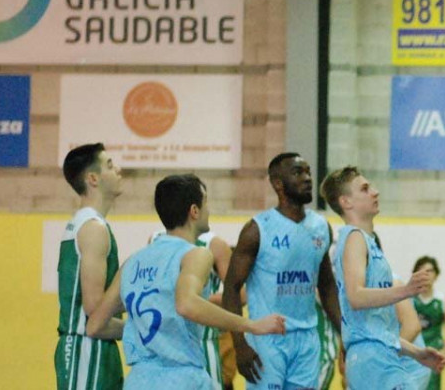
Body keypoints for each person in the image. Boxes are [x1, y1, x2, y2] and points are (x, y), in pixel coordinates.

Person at [86, 174, 287, 388]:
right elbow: (186, 304)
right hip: (181, 378)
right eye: (206, 203)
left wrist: (146, 328)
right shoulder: (196, 255)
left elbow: (95, 326)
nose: (209, 210)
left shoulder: (133, 262)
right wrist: (251, 325)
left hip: (138, 380)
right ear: (194, 211)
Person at [320, 165, 445, 390]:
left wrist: (416, 353)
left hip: (379, 356)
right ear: (346, 202)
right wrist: (406, 290)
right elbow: (355, 297)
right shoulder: (354, 238)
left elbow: (377, 330)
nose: (375, 192)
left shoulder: (367, 242)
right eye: (365, 188)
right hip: (371, 361)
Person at [222, 152, 342, 389]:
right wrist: (240, 344)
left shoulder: (320, 227)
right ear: (277, 183)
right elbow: (231, 289)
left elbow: (327, 285)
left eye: (308, 171)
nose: (307, 178)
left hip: (307, 339)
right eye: (298, 172)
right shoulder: (257, 230)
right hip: (267, 340)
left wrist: (345, 333)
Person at [55, 143, 125, 390]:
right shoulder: (94, 228)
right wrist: (144, 326)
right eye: (109, 165)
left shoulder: (85, 224)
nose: (118, 169)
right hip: (87, 349)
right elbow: (95, 310)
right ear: (93, 178)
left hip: (91, 348)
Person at [150, 228, 234, 390]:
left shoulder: (214, 245)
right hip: (166, 343)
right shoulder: (155, 239)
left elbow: (240, 295)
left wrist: (194, 300)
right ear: (194, 210)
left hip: (203, 343)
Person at [412, 255, 445, 390]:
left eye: (430, 271)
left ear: (436, 275)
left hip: (433, 355)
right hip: (413, 354)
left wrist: (443, 353)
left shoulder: (443, 300)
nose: (426, 275)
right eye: (422, 271)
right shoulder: (409, 299)